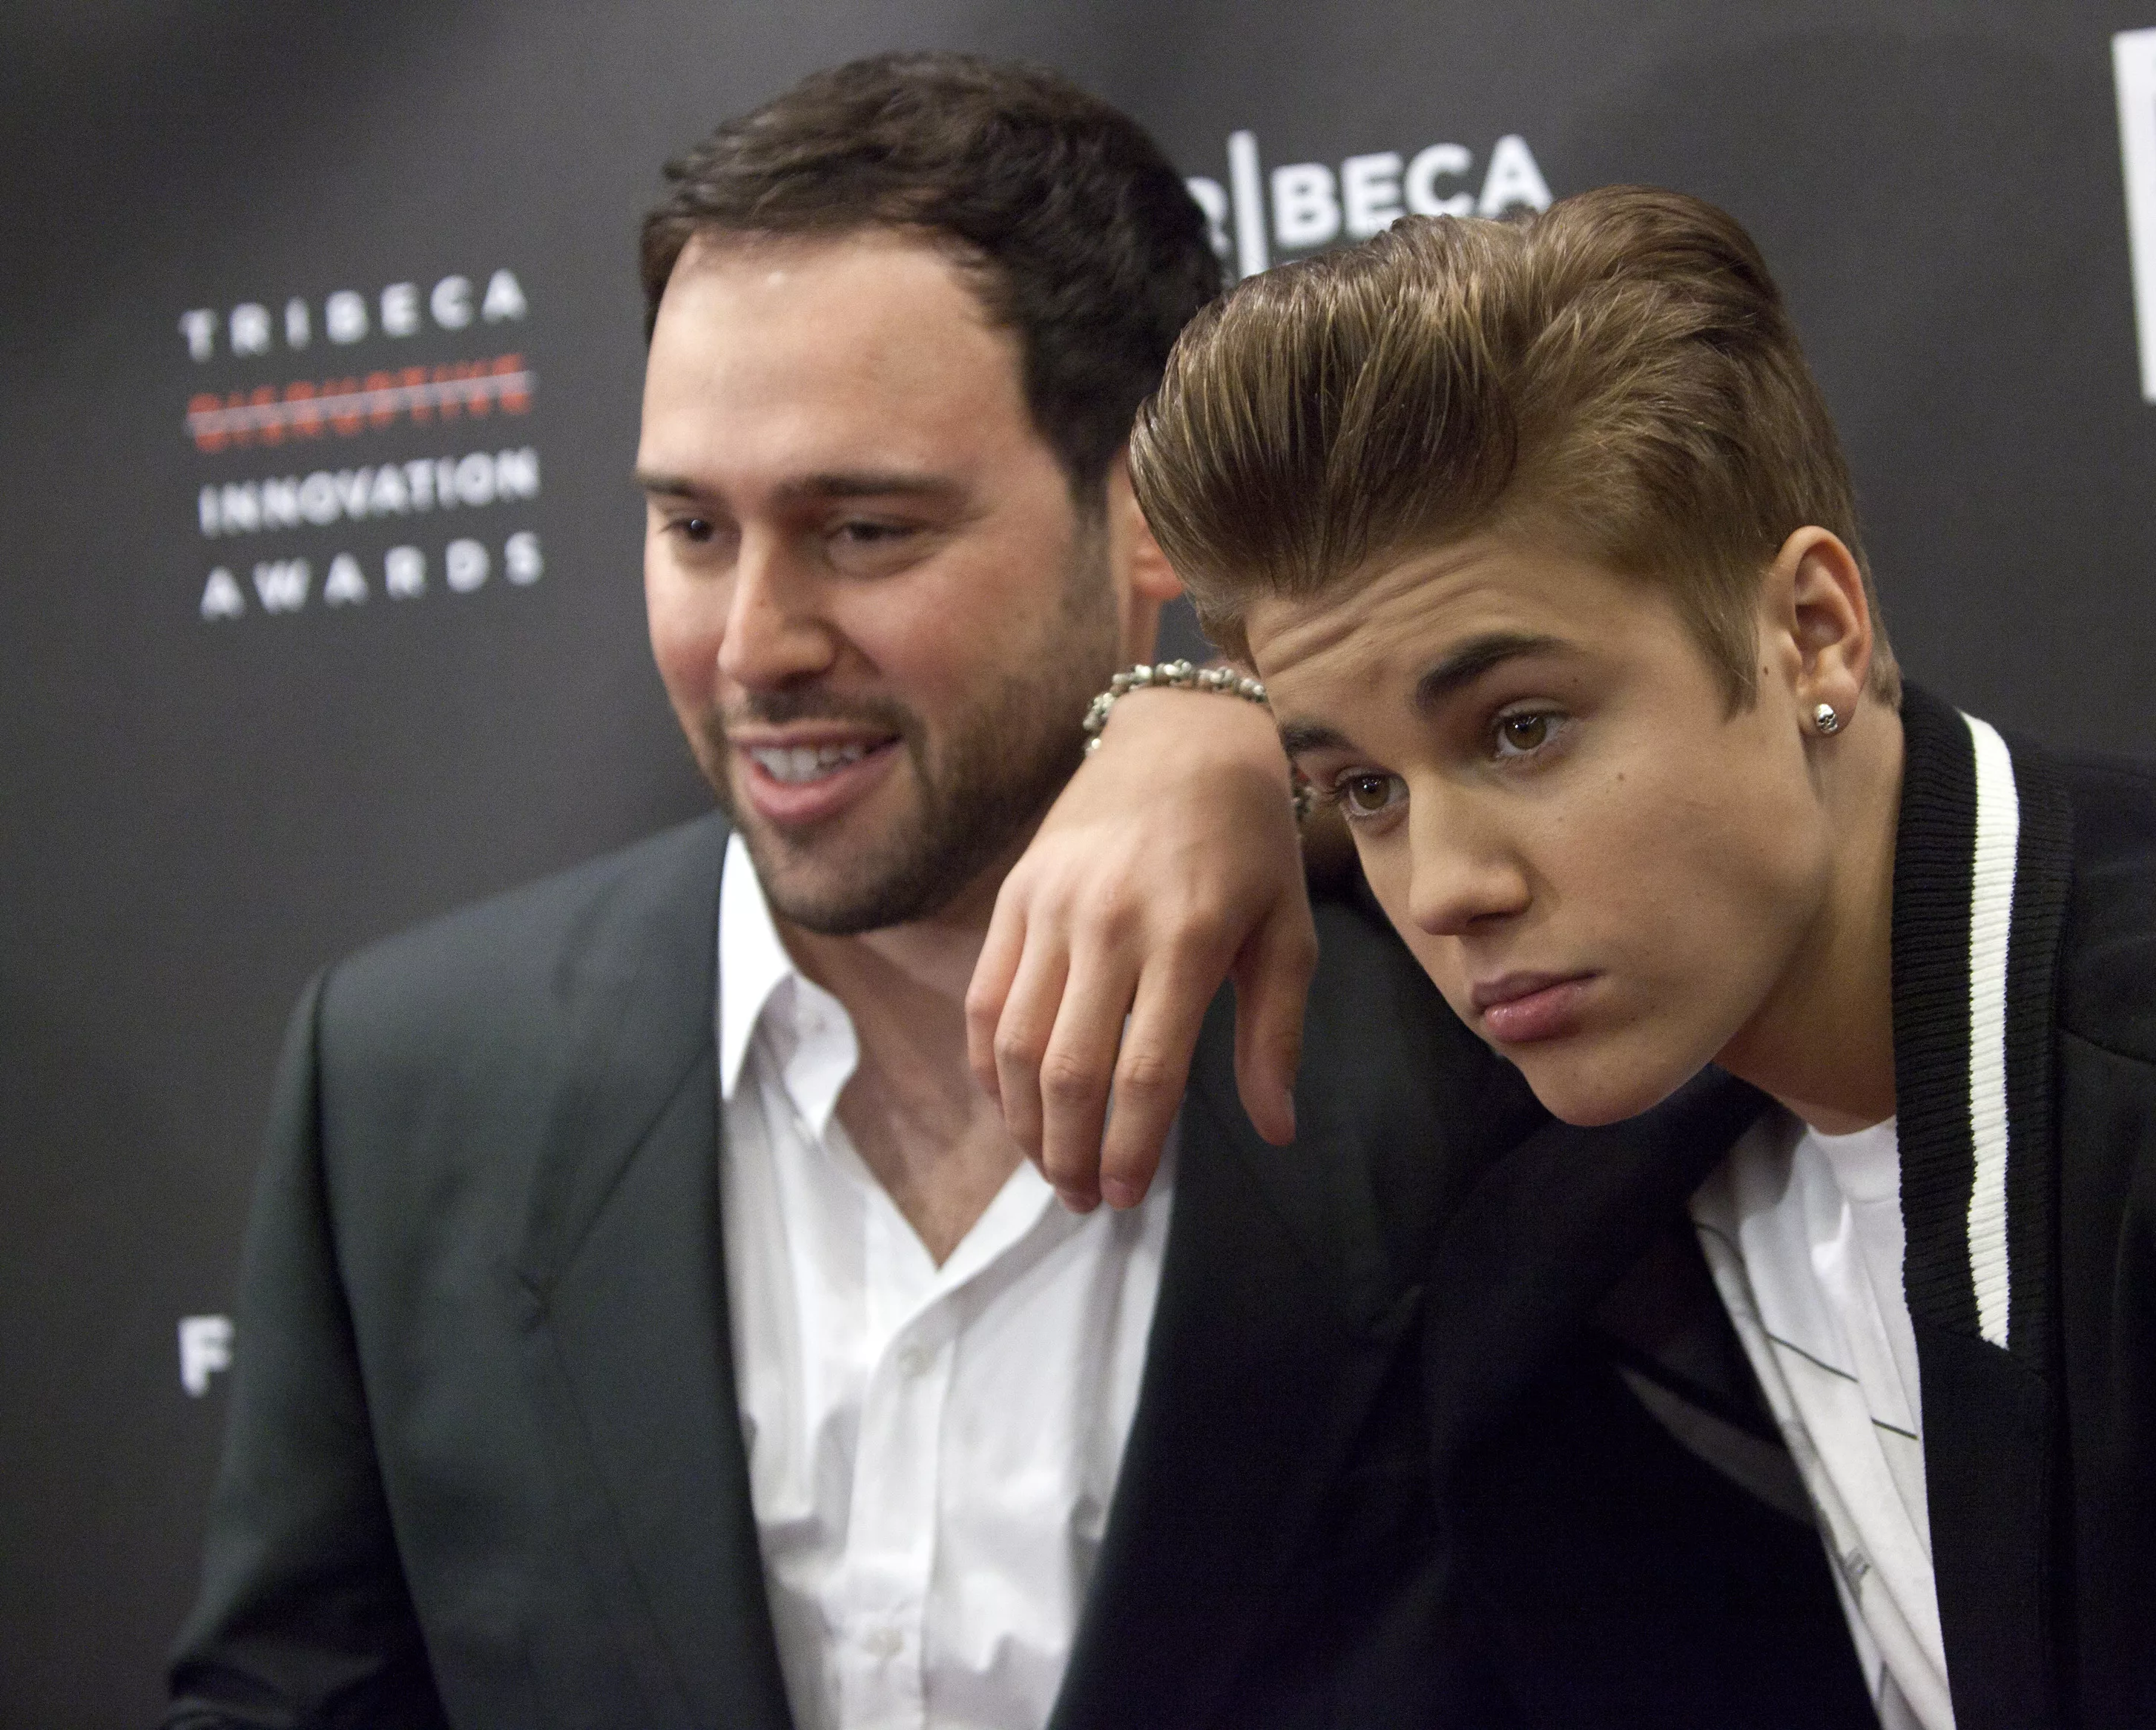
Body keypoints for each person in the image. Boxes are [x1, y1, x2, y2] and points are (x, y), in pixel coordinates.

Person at [166, 55, 1680, 1730]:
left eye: (866, 530)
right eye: (689, 526)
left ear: (1149, 518)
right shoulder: (405, 1078)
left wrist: (1250, 730)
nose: (752, 644)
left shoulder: (1473, 1035)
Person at [1096, 184, 2156, 1728]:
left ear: (1810, 631)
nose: (1447, 887)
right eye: (1363, 789)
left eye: (1525, 727)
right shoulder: (1617, 1155)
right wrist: (1166, 725)